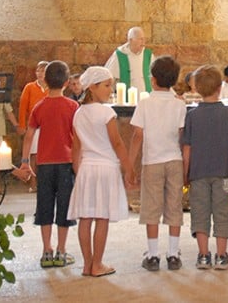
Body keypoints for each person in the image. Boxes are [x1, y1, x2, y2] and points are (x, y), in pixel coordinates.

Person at [69, 66, 135, 278]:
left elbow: (76, 147)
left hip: (87, 168)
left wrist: (78, 170)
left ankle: (87, 264)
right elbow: (116, 143)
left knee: (85, 218)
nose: (110, 90)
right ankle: (97, 263)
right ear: (93, 87)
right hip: (105, 168)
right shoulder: (106, 112)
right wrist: (128, 168)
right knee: (102, 218)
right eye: (106, 86)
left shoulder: (78, 113)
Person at [181, 65, 228, 270]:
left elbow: (187, 149)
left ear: (196, 89)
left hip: (198, 174)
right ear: (220, 87)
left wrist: (186, 173)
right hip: (225, 174)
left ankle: (203, 255)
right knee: (224, 212)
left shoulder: (191, 116)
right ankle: (221, 255)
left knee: (199, 212)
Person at [127, 56, 187, 272]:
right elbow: (182, 136)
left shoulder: (144, 104)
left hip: (152, 161)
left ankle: (153, 255)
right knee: (174, 205)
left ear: (152, 80)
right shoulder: (179, 105)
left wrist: (130, 165)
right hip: (174, 160)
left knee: (151, 207)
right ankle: (173, 253)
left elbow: (137, 136)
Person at [18, 60, 79, 269]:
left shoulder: (39, 106)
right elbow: (78, 137)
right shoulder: (72, 106)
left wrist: (26, 162)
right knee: (64, 207)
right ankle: (62, 251)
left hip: (44, 164)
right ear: (66, 82)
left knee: (44, 205)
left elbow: (29, 136)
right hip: (66, 162)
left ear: (46, 81)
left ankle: (46, 250)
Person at [18, 60, 50, 193]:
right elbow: (23, 107)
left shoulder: (52, 87)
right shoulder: (30, 87)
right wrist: (22, 124)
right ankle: (33, 182)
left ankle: (46, 182)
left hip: (48, 126)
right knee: (34, 155)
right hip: (34, 125)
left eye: (43, 71)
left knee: (47, 154)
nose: (40, 73)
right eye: (38, 70)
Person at [104, 27, 154, 92]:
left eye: (144, 39)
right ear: (130, 40)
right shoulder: (120, 55)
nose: (143, 42)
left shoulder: (148, 55)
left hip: (146, 98)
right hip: (125, 99)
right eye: (140, 39)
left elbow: (156, 78)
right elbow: (109, 78)